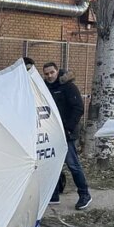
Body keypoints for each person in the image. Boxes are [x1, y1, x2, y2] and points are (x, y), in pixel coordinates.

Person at [41, 62, 92, 209]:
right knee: (52, 163)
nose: (49, 76)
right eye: (46, 73)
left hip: (67, 133)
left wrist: (68, 127)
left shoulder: (68, 87)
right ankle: (54, 194)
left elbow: (78, 108)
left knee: (73, 164)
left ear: (57, 71)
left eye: (52, 72)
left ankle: (84, 194)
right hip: (51, 133)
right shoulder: (44, 88)